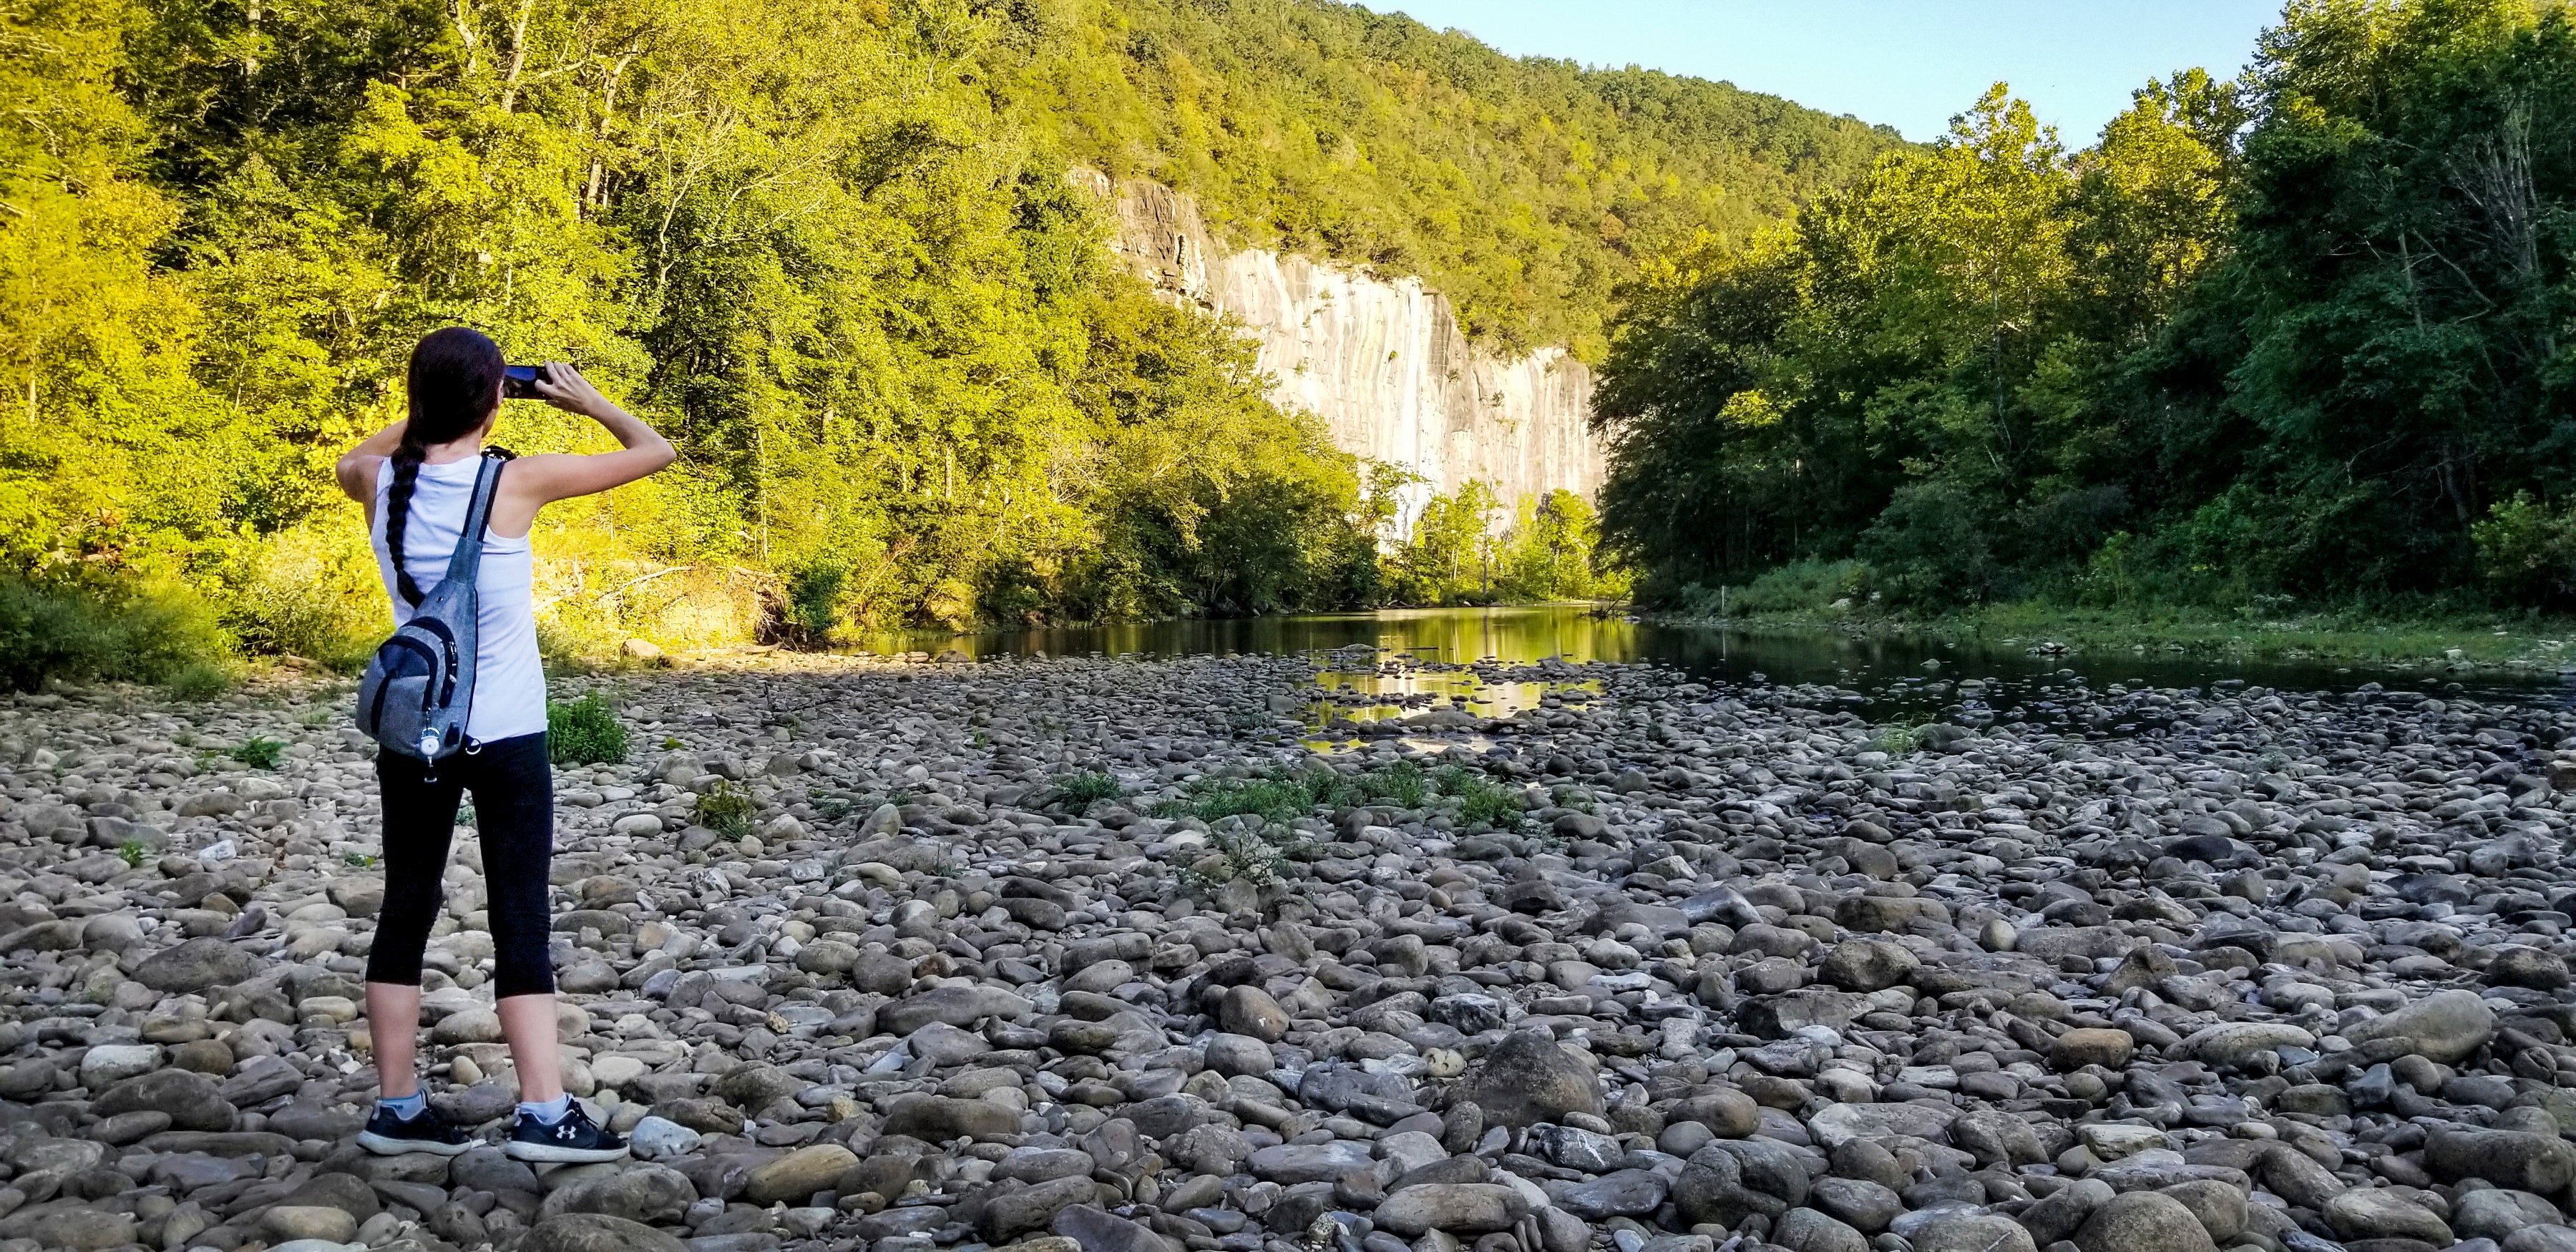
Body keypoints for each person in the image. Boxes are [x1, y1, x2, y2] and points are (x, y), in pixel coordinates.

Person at [332, 326, 675, 1160]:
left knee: (406, 908)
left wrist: (423, 411)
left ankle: (399, 1108)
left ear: (415, 401)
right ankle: (544, 1112)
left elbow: (357, 456)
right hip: (506, 733)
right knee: (519, 913)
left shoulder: (379, 481)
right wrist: (581, 398)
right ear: (494, 400)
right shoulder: (515, 482)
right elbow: (653, 449)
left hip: (415, 733)